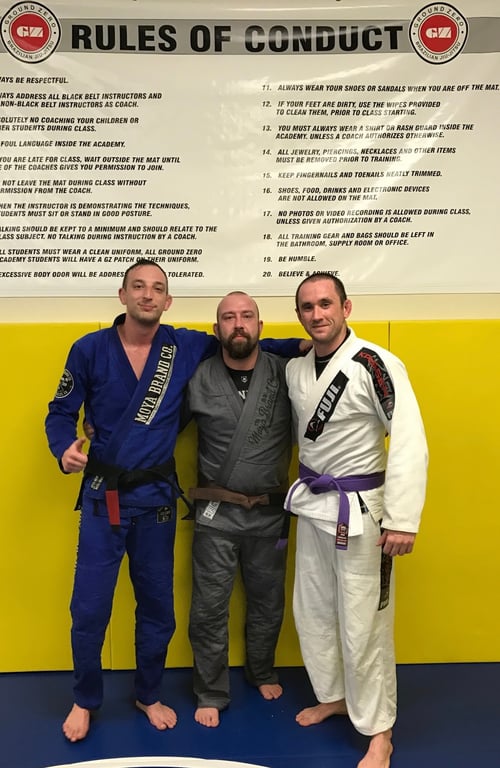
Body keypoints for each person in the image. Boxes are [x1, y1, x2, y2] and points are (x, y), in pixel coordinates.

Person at [45, 259, 302, 743]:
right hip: (104, 498)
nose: (147, 294)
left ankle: (148, 693)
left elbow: (250, 344)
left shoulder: (184, 346)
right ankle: (85, 698)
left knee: (158, 608)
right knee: (90, 608)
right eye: (138, 286)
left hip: (156, 501)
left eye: (157, 288)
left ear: (168, 301)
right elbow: (60, 411)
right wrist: (63, 448)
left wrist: (304, 346)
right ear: (122, 295)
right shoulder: (88, 349)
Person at [285, 272, 428, 768]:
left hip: (363, 512)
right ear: (299, 315)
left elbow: (408, 438)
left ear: (346, 308)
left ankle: (379, 730)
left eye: (326, 304)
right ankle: (336, 696)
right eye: (307, 307)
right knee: (314, 609)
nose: (317, 314)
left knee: (365, 620)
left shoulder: (376, 363)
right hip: (314, 506)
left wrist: (402, 519)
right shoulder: (296, 369)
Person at [185, 291, 293, 728]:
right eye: (228, 318)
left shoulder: (287, 373)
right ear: (217, 330)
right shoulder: (198, 378)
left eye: (247, 316)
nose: (238, 324)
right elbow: (156, 430)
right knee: (209, 607)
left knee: (268, 600)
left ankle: (261, 670)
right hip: (216, 513)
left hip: (270, 512)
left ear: (261, 327)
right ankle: (211, 691)